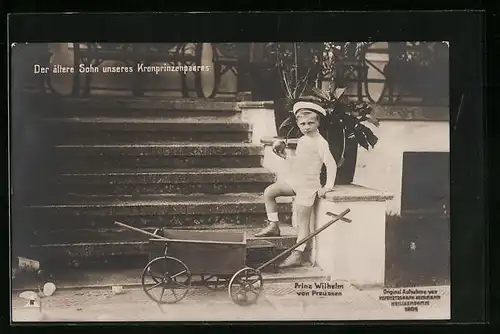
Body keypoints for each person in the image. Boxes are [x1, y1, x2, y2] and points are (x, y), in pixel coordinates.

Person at [254, 101, 337, 268]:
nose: (306, 127)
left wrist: (327, 187)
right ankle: (273, 225)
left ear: (318, 122)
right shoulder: (303, 140)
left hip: (308, 186)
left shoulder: (320, 142)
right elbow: (300, 162)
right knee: (269, 192)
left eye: (310, 123)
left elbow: (331, 164)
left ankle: (298, 254)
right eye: (302, 124)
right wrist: (284, 155)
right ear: (298, 124)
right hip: (296, 181)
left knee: (302, 221)